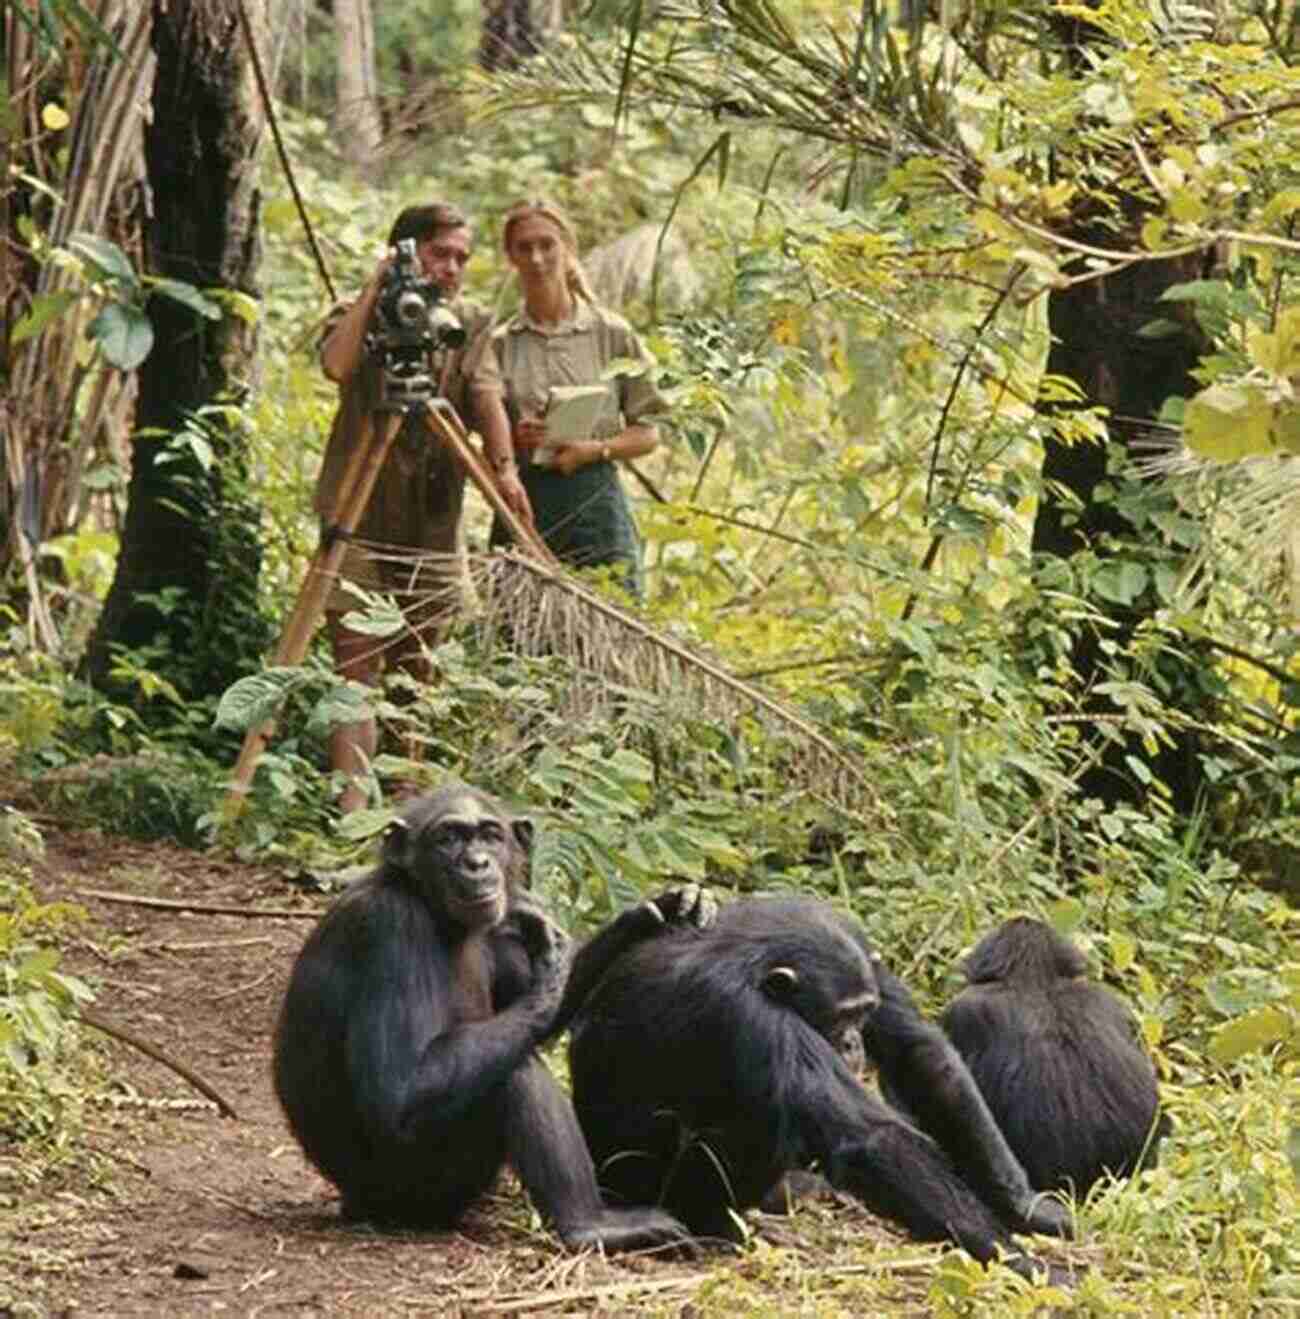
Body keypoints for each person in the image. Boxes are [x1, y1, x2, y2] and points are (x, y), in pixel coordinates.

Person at [315, 202, 529, 813]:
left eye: (462, 257)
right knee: (355, 671)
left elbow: (486, 393)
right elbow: (336, 364)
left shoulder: (471, 322)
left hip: (432, 518)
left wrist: (504, 467)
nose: (453, 268)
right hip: (358, 512)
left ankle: (408, 809)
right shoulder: (361, 311)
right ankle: (353, 814)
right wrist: (376, 288)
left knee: (418, 672)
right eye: (441, 254)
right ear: (407, 252)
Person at [471, 199, 665, 596]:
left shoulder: (611, 333)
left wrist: (594, 450)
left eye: (547, 245)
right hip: (527, 499)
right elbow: (486, 429)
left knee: (612, 623)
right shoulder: (502, 343)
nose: (537, 258)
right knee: (519, 633)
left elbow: (649, 432)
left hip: (596, 499)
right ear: (510, 257)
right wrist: (516, 439)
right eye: (524, 248)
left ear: (567, 248)